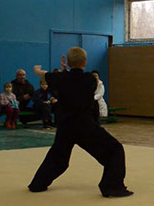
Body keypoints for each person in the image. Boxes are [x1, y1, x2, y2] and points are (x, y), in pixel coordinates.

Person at [28, 47, 132, 198]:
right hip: (85, 125)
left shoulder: (60, 78)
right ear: (85, 62)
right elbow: (75, 82)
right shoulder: (90, 79)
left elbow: (45, 75)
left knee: (58, 158)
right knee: (115, 150)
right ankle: (112, 187)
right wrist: (66, 72)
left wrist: (38, 70)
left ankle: (37, 184)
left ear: (68, 62)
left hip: (65, 125)